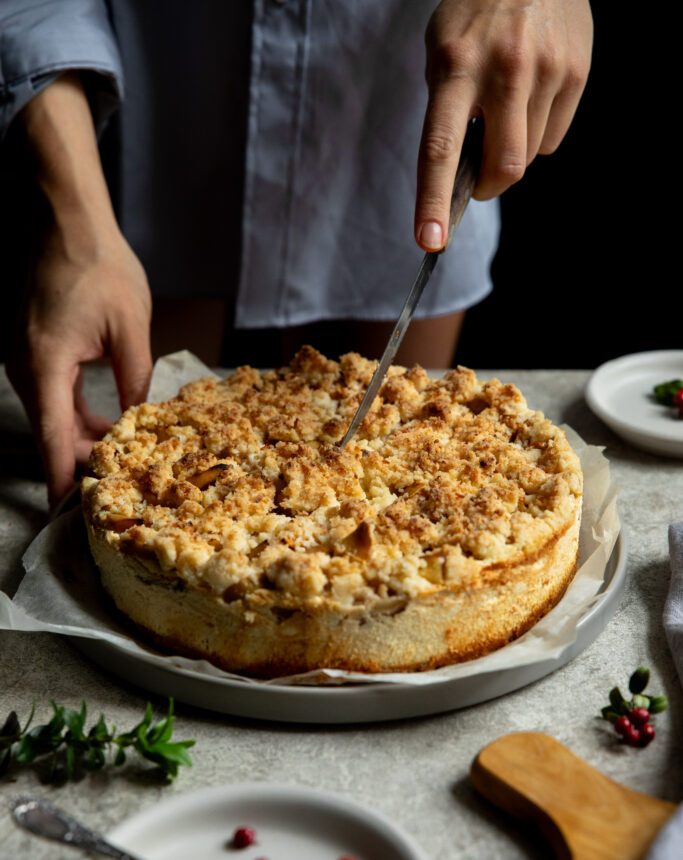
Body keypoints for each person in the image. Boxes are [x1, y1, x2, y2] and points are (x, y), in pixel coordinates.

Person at [0, 0, 593, 507]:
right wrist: (72, 210)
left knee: (417, 429)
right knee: (131, 453)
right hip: (161, 105)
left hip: (398, 102)